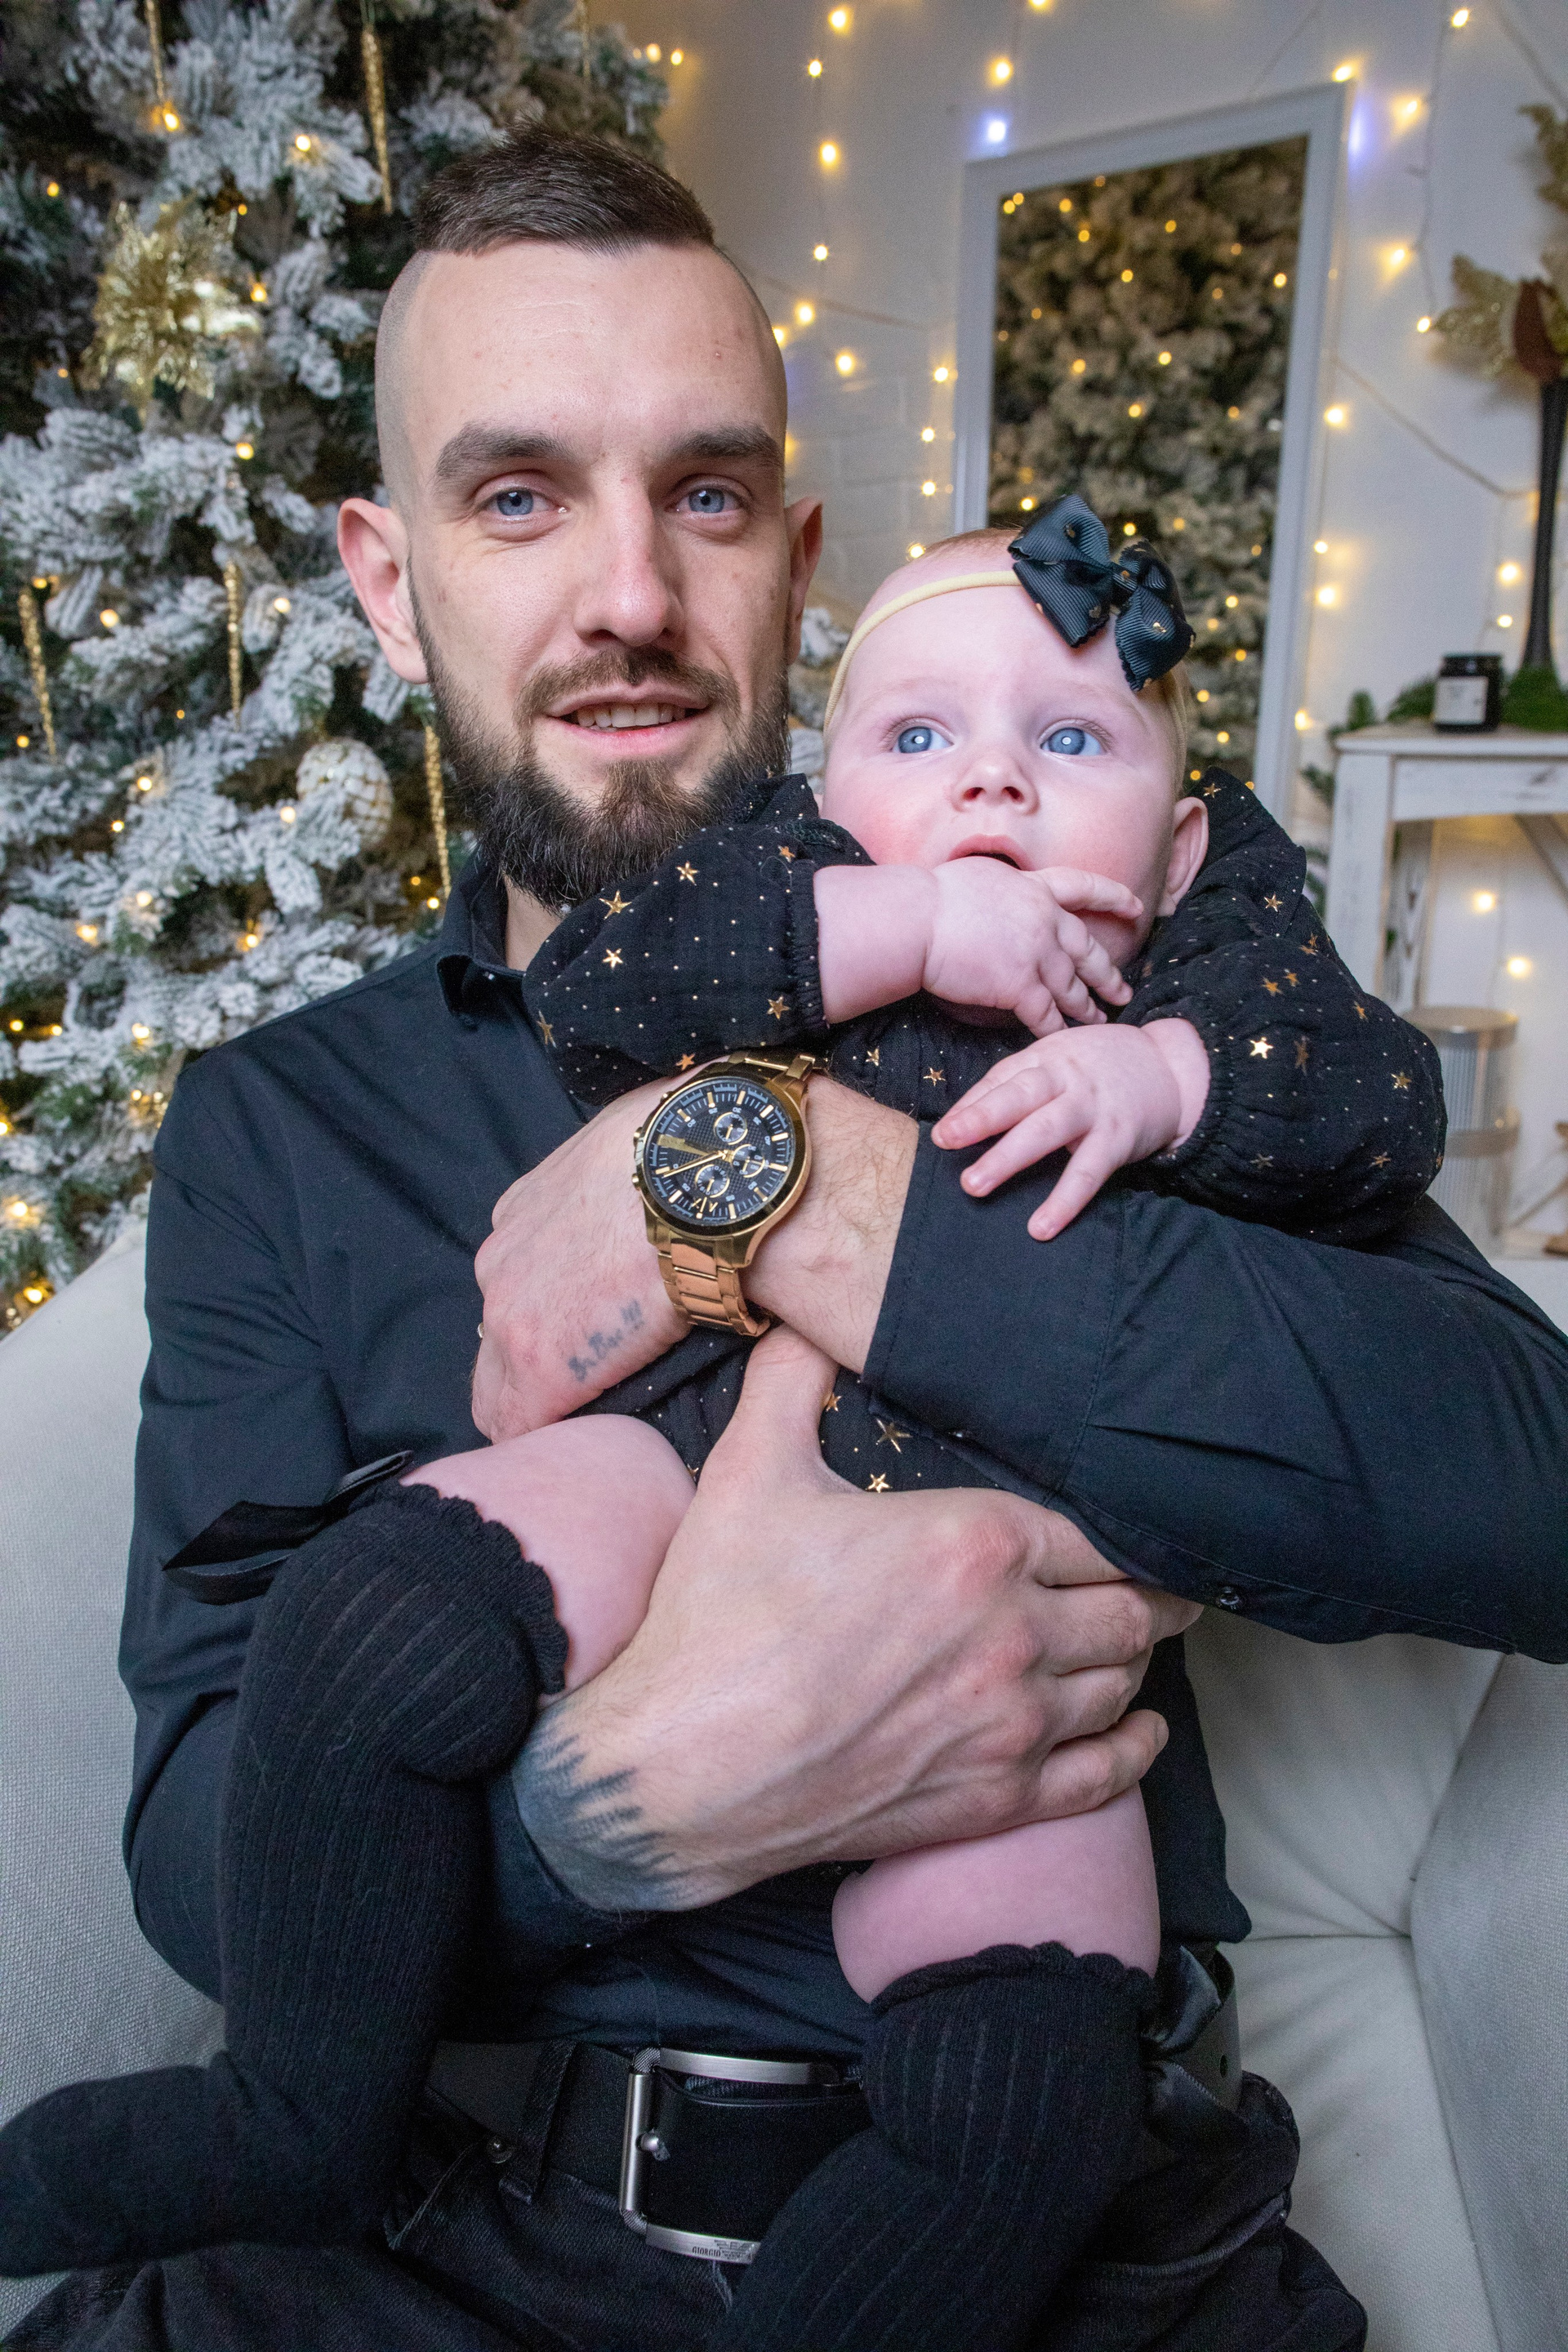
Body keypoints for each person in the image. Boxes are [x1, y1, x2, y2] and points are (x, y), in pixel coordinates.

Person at [8, 131, 1566, 2352]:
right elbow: (197, 1839)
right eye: (518, 495)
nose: (631, 595)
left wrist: (805, 1180)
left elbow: (1527, 1483)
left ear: (799, 564)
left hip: (1077, 2242)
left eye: (710, 495)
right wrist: (631, 1803)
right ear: (386, 576)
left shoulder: (1142, 998)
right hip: (444, 2234)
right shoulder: (283, 1129)